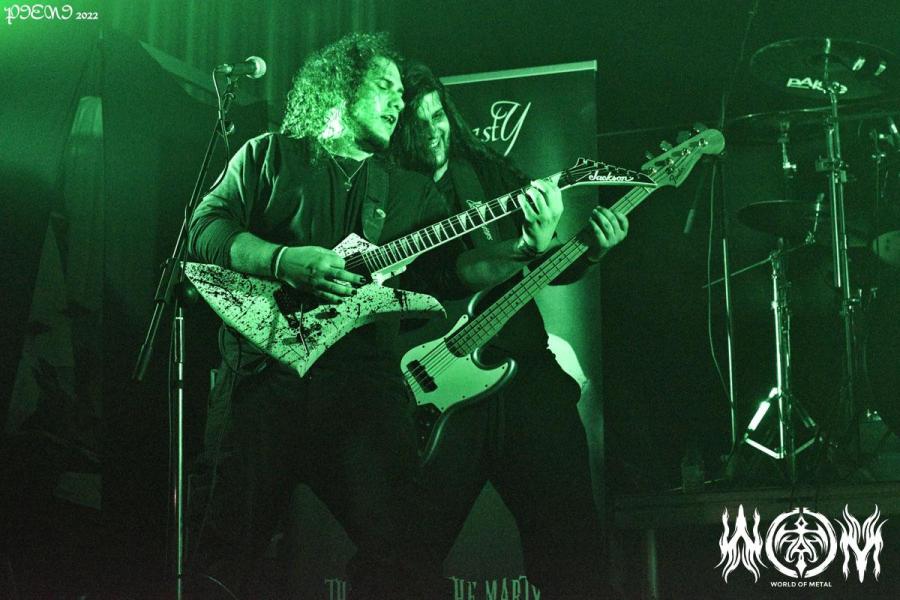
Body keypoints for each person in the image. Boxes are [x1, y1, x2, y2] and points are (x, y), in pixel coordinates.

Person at [186, 34, 568, 599]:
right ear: (340, 90)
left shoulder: (409, 190)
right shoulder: (268, 155)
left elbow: (449, 273)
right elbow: (205, 229)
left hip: (362, 390)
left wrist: (524, 249)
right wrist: (283, 260)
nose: (398, 102)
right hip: (260, 385)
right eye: (384, 87)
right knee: (224, 558)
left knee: (406, 557)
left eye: (401, 92)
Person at [393, 61, 629, 599]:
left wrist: (591, 251)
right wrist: (523, 248)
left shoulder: (487, 172)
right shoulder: (390, 192)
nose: (432, 130)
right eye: (416, 122)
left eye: (438, 115)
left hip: (523, 373)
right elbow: (434, 276)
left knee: (575, 557)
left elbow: (551, 263)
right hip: (435, 386)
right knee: (402, 559)